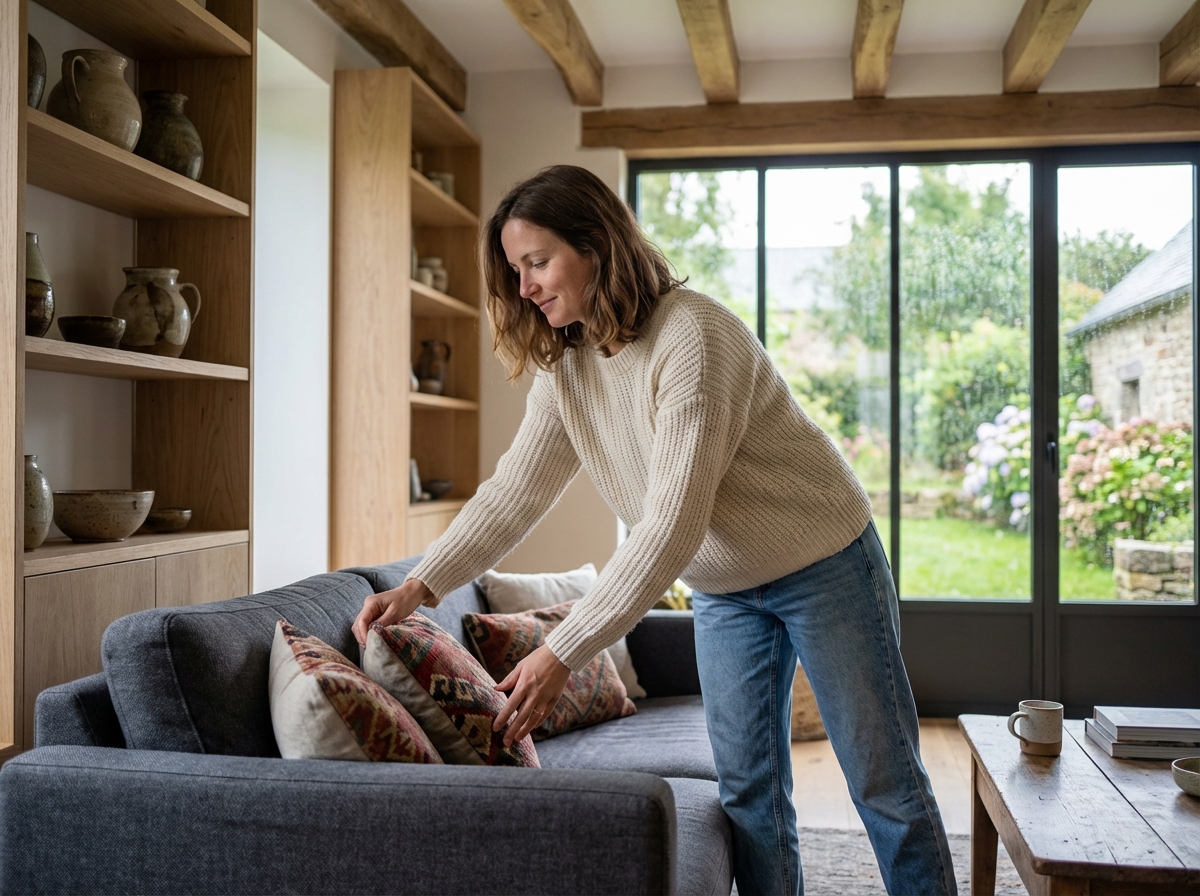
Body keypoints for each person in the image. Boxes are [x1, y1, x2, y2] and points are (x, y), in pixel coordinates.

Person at [353, 164, 956, 896]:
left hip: (823, 560)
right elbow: (515, 491)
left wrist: (563, 651)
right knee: (749, 800)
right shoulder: (569, 362)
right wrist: (422, 583)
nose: (525, 287)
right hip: (725, 592)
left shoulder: (694, 338)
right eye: (515, 270)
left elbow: (672, 523)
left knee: (882, 780)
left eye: (538, 262)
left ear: (597, 246)